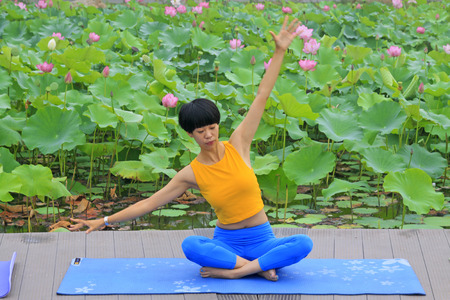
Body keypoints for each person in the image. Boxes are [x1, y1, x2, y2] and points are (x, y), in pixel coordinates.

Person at [70, 16, 313, 282]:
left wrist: (279, 51)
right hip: (226, 244)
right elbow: (150, 203)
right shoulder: (191, 173)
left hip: (262, 239)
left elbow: (262, 95)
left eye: (212, 127)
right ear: (190, 134)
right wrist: (103, 221)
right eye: (201, 131)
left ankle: (238, 271)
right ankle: (260, 267)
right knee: (191, 245)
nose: (209, 135)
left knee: (303, 242)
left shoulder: (239, 144)